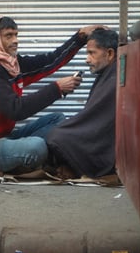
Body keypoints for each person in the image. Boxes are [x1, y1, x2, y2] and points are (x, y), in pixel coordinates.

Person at [0, 15, 102, 174]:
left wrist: (79, 37)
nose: (15, 40)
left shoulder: (11, 65)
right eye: (8, 36)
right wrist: (57, 88)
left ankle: (18, 161)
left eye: (16, 34)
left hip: (3, 137)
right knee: (36, 147)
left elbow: (49, 62)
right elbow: (16, 110)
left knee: (57, 119)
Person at [46, 28, 119, 179]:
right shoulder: (108, 73)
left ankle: (76, 168)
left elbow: (95, 121)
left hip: (103, 146)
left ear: (110, 54)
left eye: (92, 53)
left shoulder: (114, 78)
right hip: (97, 136)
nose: (87, 59)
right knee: (57, 127)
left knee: (56, 135)